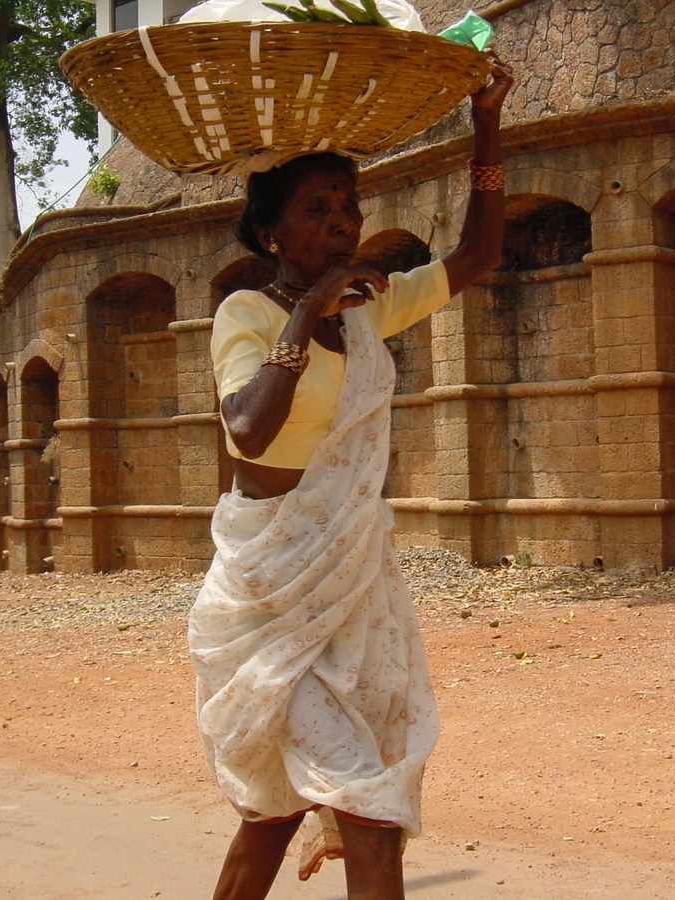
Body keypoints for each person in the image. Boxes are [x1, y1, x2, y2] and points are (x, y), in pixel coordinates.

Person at [188, 53, 514, 900]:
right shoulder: (249, 315)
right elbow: (250, 433)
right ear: (272, 235)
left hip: (352, 590)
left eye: (349, 204)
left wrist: (486, 125)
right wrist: (307, 308)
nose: (343, 220)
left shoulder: (373, 305)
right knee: (367, 807)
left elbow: (479, 252)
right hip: (268, 596)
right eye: (318, 207)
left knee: (278, 813)